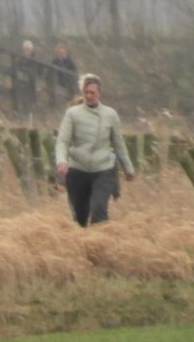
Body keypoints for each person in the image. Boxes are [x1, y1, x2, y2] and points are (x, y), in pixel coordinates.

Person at [55, 74, 135, 227]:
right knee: (80, 218)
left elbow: (118, 144)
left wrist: (128, 168)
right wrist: (62, 161)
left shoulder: (110, 115)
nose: (89, 96)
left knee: (99, 211)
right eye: (86, 92)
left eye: (92, 93)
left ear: (100, 93)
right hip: (78, 171)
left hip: (102, 170)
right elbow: (62, 141)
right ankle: (82, 246)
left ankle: (101, 246)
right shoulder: (72, 114)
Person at [14, 39, 37, 115]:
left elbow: (35, 71)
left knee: (28, 96)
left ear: (31, 51)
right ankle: (20, 111)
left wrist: (28, 72)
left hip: (31, 82)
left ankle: (28, 112)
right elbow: (16, 68)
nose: (26, 52)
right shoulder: (19, 59)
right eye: (25, 50)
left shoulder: (34, 60)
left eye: (28, 50)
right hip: (20, 81)